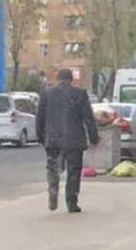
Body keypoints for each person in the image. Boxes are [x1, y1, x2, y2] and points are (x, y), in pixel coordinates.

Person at [35, 68, 99, 214]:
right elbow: (88, 118)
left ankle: (53, 191)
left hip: (53, 140)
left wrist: (40, 137)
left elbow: (40, 118)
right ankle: (71, 202)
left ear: (57, 78)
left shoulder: (47, 94)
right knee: (73, 172)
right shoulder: (80, 94)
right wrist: (94, 137)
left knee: (52, 168)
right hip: (74, 140)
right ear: (71, 79)